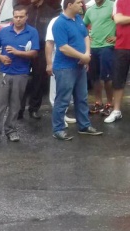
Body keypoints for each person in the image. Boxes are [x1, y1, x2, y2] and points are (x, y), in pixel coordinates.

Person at [0, 5, 39, 144]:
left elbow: (34, 52)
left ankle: (11, 130)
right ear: (13, 17)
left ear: (26, 17)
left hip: (21, 74)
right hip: (3, 73)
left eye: (21, 17)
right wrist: (1, 58)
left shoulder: (32, 32)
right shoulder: (4, 32)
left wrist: (17, 52)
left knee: (15, 105)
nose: (18, 19)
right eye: (16, 17)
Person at [52, 0, 103, 140]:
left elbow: (86, 36)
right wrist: (83, 56)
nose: (82, 5)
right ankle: (58, 129)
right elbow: (63, 47)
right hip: (64, 68)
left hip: (80, 66)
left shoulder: (79, 19)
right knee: (63, 99)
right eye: (79, 2)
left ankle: (84, 126)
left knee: (82, 98)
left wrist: (86, 55)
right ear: (69, 5)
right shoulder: (59, 23)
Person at [19, 0, 61, 119]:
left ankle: (34, 109)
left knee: (38, 80)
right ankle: (19, 109)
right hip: (25, 49)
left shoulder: (51, 12)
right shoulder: (26, 10)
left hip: (42, 50)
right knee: (22, 78)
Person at [83, 0, 116, 115]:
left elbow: (122, 23)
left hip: (107, 47)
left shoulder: (113, 6)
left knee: (107, 77)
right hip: (93, 47)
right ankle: (98, 102)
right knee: (95, 77)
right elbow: (83, 25)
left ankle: (110, 104)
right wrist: (87, 36)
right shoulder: (90, 10)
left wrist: (117, 37)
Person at [103, 0, 130, 123]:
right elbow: (118, 19)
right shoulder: (119, 1)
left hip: (122, 46)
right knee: (118, 79)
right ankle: (116, 111)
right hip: (122, 47)